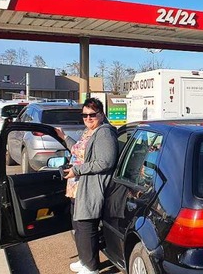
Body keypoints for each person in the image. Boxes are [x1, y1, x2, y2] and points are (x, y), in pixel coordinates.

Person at [55, 97, 118, 274]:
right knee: (78, 226)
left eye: (92, 114)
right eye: (84, 115)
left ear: (101, 114)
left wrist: (78, 170)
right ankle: (84, 260)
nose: (88, 118)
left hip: (90, 186)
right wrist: (63, 137)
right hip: (77, 187)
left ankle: (91, 267)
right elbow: (78, 150)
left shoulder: (104, 132)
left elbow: (106, 161)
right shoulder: (88, 131)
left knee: (86, 227)